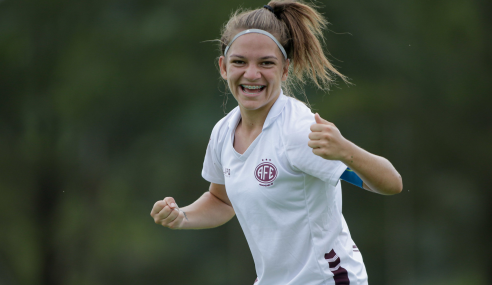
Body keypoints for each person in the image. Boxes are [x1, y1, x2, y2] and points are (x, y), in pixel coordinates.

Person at [150, 1, 402, 284]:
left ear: (284, 70)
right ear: (223, 67)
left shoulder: (298, 132)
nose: (252, 74)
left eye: (266, 63)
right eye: (239, 62)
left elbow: (391, 183)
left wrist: (345, 150)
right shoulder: (223, 131)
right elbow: (221, 200)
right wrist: (182, 216)